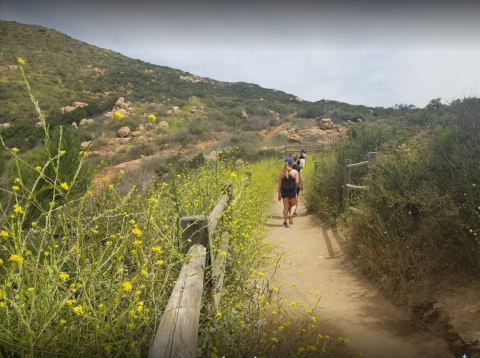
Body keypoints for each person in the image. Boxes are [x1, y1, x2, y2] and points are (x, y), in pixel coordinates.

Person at [277, 157, 299, 227]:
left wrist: (279, 195)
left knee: (285, 206)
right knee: (294, 205)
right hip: (292, 191)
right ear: (291, 163)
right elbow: (297, 182)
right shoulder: (295, 172)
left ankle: (285, 222)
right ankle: (291, 214)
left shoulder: (281, 173)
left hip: (284, 192)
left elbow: (279, 185)